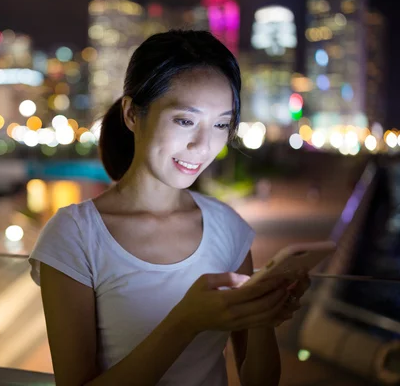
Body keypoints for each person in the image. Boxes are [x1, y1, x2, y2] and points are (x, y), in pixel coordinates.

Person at [29, 30, 310, 386]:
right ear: (133, 114)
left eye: (221, 124)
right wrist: (185, 322)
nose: (203, 145)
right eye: (185, 120)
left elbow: (258, 379)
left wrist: (262, 316)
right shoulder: (75, 235)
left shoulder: (228, 227)